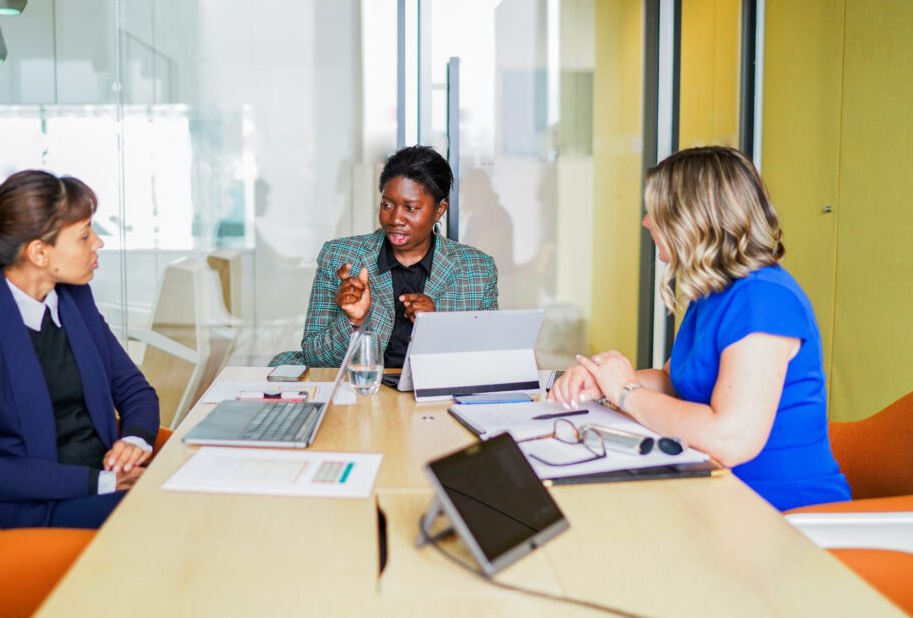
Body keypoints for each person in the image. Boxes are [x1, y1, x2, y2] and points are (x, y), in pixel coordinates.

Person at [550, 146, 850, 511]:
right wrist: (603, 381)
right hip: (714, 492)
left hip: (781, 512)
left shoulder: (764, 299)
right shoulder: (712, 292)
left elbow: (730, 439)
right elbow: (676, 381)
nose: (646, 222)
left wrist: (626, 392)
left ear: (694, 219)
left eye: (656, 212)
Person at [0, 170, 160, 529]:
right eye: (84, 235)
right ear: (39, 252)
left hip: (105, 483)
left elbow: (133, 388)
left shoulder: (73, 297)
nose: (98, 243)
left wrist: (133, 438)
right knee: (170, 514)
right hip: (32, 505)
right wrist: (102, 482)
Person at [287, 145, 498, 369]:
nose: (395, 218)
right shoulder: (339, 257)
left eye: (411, 208)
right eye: (387, 204)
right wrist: (353, 321)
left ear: (439, 210)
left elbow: (488, 361)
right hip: (364, 395)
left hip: (436, 400)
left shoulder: (478, 270)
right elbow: (314, 358)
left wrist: (438, 328)